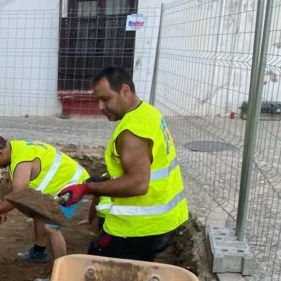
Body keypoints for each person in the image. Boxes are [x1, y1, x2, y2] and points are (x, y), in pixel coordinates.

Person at [59, 66, 188, 261]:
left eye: (105, 99)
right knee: (137, 266)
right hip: (165, 220)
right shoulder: (148, 113)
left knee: (97, 256)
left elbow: (138, 184)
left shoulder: (132, 131)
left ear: (125, 91)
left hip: (140, 227)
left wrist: (87, 189)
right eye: (97, 101)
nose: (100, 107)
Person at [0, 135, 89, 281]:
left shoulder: (22, 161)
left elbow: (18, 197)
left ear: (0, 153)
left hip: (73, 186)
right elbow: (11, 185)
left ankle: (61, 277)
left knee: (51, 227)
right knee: (36, 208)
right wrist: (1, 210)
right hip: (62, 183)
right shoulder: (14, 150)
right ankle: (39, 252)